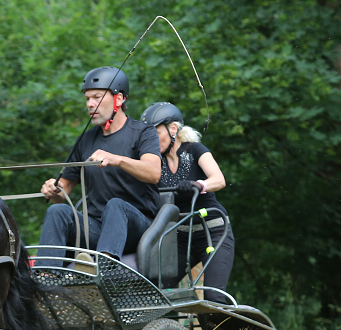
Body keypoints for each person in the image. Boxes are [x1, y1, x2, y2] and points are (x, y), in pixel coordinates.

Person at [35, 66, 161, 268]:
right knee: (58, 211)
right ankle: (45, 275)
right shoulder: (85, 140)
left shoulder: (143, 132)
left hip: (137, 229)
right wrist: (53, 189)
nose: (90, 104)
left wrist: (117, 159)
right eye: (87, 99)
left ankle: (102, 270)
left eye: (97, 97)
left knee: (116, 205)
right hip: (96, 229)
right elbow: (64, 190)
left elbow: (154, 173)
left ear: (119, 100)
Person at [140, 101, 234, 303]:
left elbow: (219, 179)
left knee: (213, 297)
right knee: (156, 295)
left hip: (213, 232)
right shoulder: (155, 163)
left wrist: (198, 184)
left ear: (173, 129)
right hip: (180, 238)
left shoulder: (194, 150)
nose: (152, 141)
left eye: (156, 133)